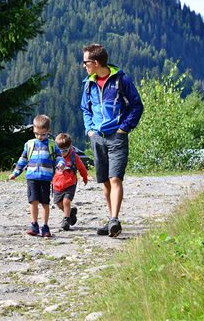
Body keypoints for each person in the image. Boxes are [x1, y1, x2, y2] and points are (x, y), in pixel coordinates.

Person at [80, 43, 143, 238]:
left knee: (115, 178)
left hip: (117, 137)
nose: (84, 65)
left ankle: (114, 219)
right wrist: (90, 130)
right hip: (97, 138)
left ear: (96, 62)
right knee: (106, 182)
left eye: (86, 62)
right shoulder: (89, 83)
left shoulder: (121, 79)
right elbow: (85, 108)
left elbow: (136, 106)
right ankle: (111, 221)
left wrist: (124, 128)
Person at [9, 115, 65, 238]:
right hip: (32, 177)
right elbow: (23, 160)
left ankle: (45, 226)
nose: (40, 137)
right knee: (33, 201)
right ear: (34, 130)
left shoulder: (52, 145)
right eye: (37, 134)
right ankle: (34, 224)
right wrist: (16, 173)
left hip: (45, 178)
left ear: (48, 132)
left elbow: (59, 158)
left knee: (45, 202)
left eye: (43, 134)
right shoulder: (29, 144)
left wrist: (61, 164)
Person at [52, 133, 88, 231]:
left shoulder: (73, 157)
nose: (63, 153)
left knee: (66, 201)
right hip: (57, 184)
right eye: (60, 150)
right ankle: (71, 213)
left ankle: (66, 220)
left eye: (65, 150)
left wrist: (84, 177)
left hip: (70, 183)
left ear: (70, 147)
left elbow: (81, 167)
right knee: (59, 204)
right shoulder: (54, 156)